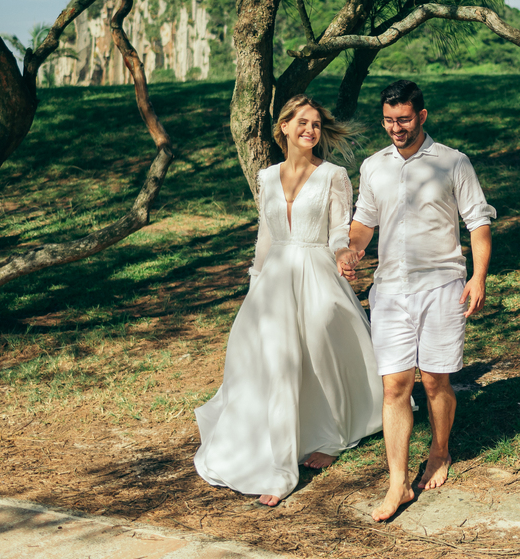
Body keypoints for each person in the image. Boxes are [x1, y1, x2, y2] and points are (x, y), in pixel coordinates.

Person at [194, 94, 383, 507]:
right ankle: (277, 463)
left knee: (320, 354)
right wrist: (255, 284)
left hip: (316, 272)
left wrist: (344, 255)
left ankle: (331, 435)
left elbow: (339, 231)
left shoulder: (333, 175)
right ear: (284, 127)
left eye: (316, 124)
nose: (310, 130)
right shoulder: (266, 177)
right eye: (302, 122)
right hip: (274, 280)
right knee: (275, 363)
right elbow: (266, 236)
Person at [340, 79, 494, 522]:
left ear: (421, 116)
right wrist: (353, 250)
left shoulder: (453, 162)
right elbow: (364, 221)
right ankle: (398, 483)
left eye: (404, 119)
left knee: (435, 382)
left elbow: (478, 223)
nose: (396, 128)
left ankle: (440, 451)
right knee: (394, 386)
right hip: (389, 290)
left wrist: (478, 277)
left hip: (442, 286)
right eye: (389, 120)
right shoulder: (373, 166)